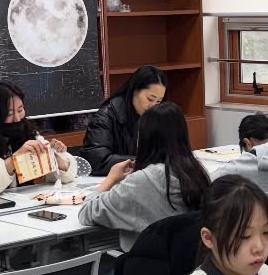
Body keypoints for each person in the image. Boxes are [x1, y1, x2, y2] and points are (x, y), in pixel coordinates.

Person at [79, 102, 208, 250]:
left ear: (144, 138)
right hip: (188, 261)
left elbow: (87, 212)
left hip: (148, 262)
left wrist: (111, 179)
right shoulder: (197, 173)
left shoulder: (142, 182)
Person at [0, 80, 83, 197]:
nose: (17, 118)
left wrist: (56, 159)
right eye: (9, 113)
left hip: (22, 206)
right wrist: (14, 161)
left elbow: (66, 178)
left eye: (20, 110)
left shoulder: (27, 131)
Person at [82, 65, 168, 174]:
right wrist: (143, 162)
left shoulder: (154, 116)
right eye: (150, 99)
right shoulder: (105, 117)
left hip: (141, 177)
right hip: (111, 180)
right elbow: (96, 160)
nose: (153, 106)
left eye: (158, 101)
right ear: (134, 90)